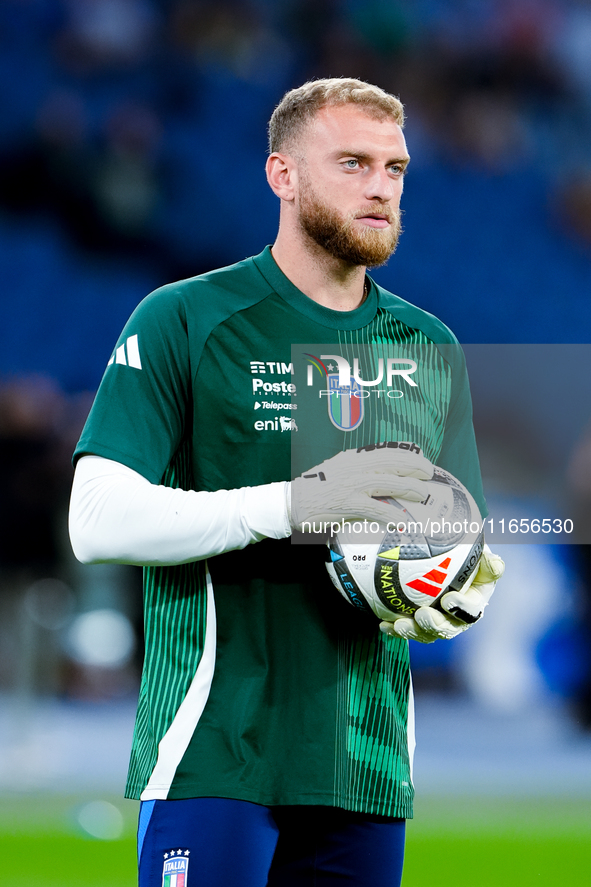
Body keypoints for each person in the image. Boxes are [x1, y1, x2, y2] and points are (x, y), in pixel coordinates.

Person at [69, 78, 503, 887]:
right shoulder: (186, 319)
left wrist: (453, 586)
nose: (380, 186)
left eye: (395, 167)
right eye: (352, 162)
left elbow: (450, 533)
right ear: (283, 175)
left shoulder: (427, 345)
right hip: (215, 751)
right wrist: (295, 506)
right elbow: (96, 521)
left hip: (366, 769)